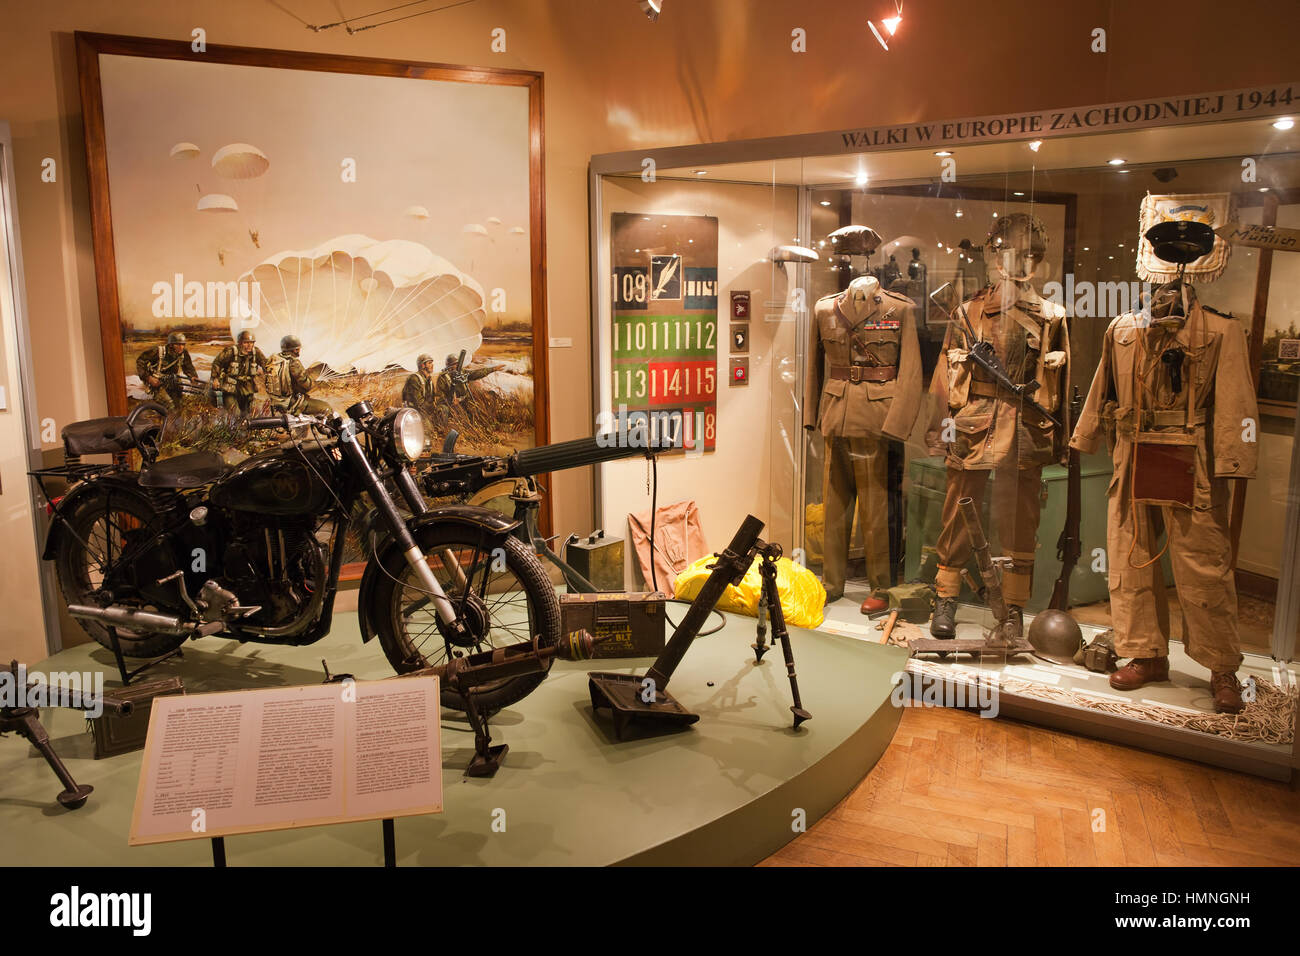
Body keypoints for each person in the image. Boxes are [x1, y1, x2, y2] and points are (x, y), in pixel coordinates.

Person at [925, 214, 1071, 640]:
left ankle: (1013, 607)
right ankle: (946, 595)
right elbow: (943, 378)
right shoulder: (968, 312)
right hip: (974, 423)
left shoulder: (1052, 316)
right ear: (996, 257)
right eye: (1013, 253)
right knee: (957, 512)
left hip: (1025, 426)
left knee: (1021, 519)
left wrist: (1061, 441)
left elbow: (1060, 385)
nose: (1023, 262)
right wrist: (939, 432)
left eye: (1032, 255)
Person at [265, 334, 331, 416]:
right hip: (292, 403)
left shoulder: (274, 359)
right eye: (298, 349)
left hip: (275, 401)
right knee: (327, 408)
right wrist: (314, 380)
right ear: (295, 350)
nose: (299, 351)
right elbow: (307, 386)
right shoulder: (293, 363)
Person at [209, 329, 269, 414]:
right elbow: (217, 363)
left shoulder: (256, 352)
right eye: (246, 342)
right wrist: (215, 378)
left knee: (247, 414)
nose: (249, 345)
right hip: (231, 388)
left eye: (251, 343)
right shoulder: (231, 352)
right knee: (234, 413)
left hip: (247, 388)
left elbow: (265, 364)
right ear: (240, 343)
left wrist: (270, 373)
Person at [136, 331, 197, 412]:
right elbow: (140, 361)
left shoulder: (183, 353)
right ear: (171, 345)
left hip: (172, 382)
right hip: (157, 384)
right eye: (178, 344)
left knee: (181, 405)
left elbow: (188, 366)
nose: (181, 347)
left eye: (183, 344)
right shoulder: (159, 351)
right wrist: (149, 378)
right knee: (169, 406)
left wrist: (193, 376)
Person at [435, 352, 505, 418]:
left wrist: (493, 369)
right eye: (454, 364)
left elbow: (476, 373)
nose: (457, 366)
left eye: (458, 364)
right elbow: (440, 397)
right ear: (449, 366)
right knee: (443, 410)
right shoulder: (443, 378)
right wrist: (450, 401)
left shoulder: (462, 372)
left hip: (464, 401)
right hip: (450, 404)